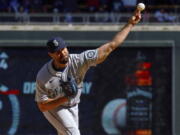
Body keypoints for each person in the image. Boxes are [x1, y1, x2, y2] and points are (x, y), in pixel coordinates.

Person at [35, 9, 142, 135]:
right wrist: (65, 98)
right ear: (51, 55)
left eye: (63, 48)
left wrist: (130, 24)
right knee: (74, 133)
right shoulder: (44, 76)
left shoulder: (79, 61)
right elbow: (42, 106)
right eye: (57, 51)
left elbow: (110, 46)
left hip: (73, 106)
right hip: (55, 108)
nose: (62, 52)